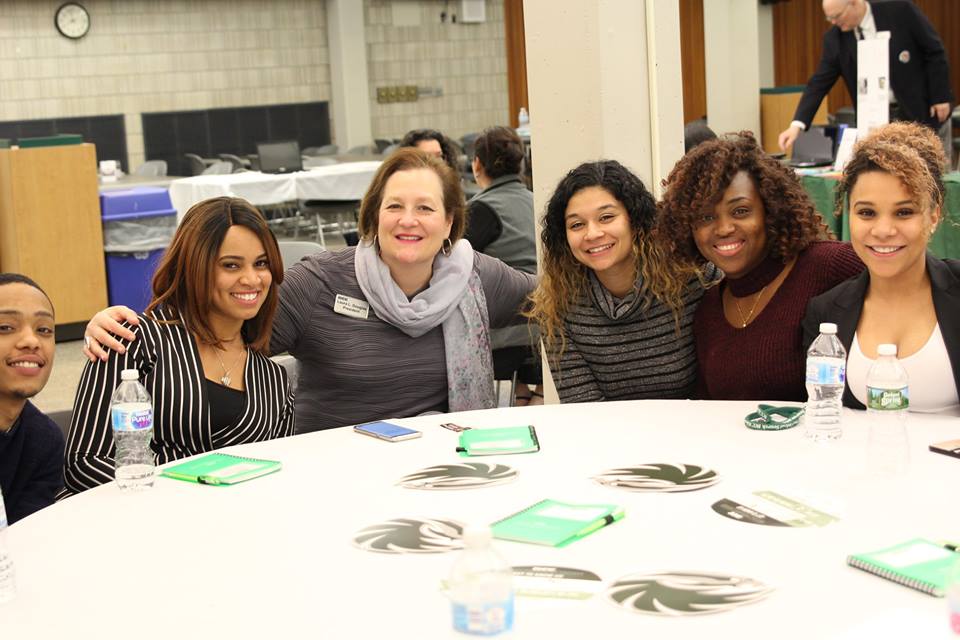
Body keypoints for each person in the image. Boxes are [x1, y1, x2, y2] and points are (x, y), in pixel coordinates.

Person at [85, 150, 536, 432]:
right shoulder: (321, 282)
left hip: (437, 470)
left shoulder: (475, 278)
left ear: (450, 223)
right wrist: (130, 326)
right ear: (373, 216)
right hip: (330, 472)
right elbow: (222, 326)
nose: (408, 220)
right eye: (394, 206)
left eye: (425, 208)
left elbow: (553, 300)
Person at [65, 198, 295, 495]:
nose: (251, 279)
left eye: (261, 264)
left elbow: (276, 477)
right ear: (195, 266)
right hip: (132, 525)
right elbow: (84, 463)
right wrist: (184, 496)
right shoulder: (133, 341)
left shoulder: (272, 380)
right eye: (231, 265)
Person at [657, 132, 864, 401]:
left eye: (740, 211)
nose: (724, 228)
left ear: (771, 210)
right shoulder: (708, 309)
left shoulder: (830, 266)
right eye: (706, 217)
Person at [802, 122, 959, 414]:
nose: (883, 230)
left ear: (933, 216)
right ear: (848, 215)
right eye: (867, 213)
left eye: (904, 212)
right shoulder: (825, 314)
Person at [527, 160, 710, 403]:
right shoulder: (556, 305)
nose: (592, 234)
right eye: (577, 224)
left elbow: (716, 388)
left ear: (634, 220)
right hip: (608, 437)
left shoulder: (692, 281)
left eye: (606, 217)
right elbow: (584, 409)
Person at [778, 0, 953, 153]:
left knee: (932, 179)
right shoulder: (835, 39)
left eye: (837, 16)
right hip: (877, 123)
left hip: (921, 111)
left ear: (854, 2)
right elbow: (818, 83)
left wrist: (941, 96)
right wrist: (797, 125)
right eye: (829, 18)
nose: (833, 22)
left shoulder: (901, 11)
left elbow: (934, 51)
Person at [466, 126, 541, 405]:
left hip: (504, 330)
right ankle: (524, 394)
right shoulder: (538, 201)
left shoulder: (478, 210)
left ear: (476, 165)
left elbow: (452, 269)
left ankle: (520, 397)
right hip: (544, 323)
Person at [0, 274, 63, 524]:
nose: (31, 341)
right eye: (5, 327)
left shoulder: (43, 440)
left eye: (44, 330)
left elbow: (27, 539)